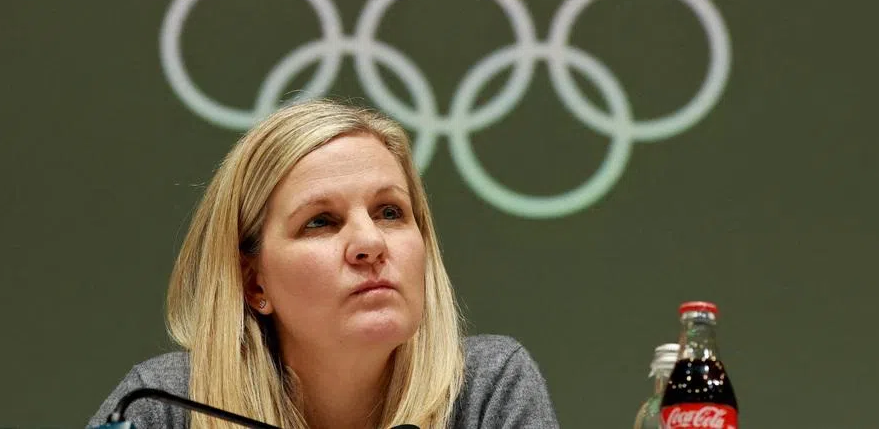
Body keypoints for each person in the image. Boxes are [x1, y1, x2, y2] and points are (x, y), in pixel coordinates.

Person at [89, 100, 558, 429]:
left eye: (390, 212)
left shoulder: (487, 388)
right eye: (321, 222)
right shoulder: (163, 405)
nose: (369, 243)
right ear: (254, 283)